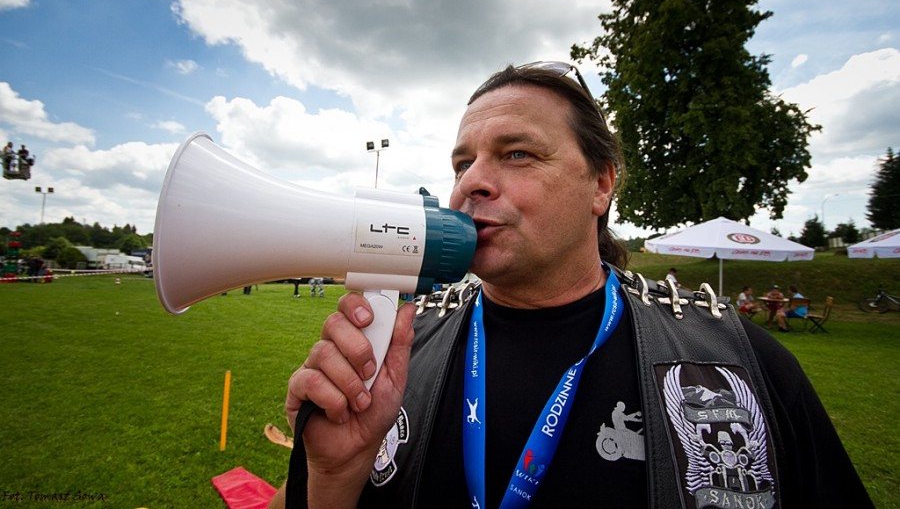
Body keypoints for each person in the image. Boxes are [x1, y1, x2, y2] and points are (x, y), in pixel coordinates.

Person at [270, 62, 872, 508]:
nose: (470, 184)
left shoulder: (736, 362)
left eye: (518, 155)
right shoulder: (400, 350)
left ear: (601, 185)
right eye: (462, 163)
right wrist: (333, 480)